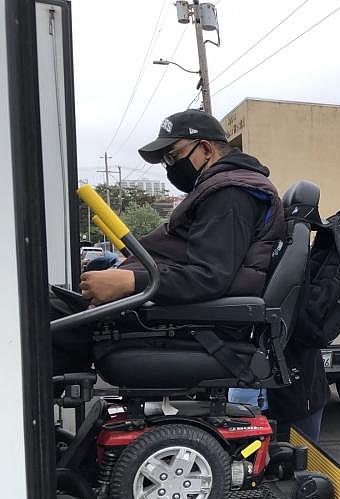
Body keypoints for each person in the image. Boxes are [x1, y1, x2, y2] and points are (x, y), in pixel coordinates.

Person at [50, 109, 285, 375]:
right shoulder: (220, 188)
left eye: (173, 156)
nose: (171, 167)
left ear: (206, 149)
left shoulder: (229, 194)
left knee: (38, 317)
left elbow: (209, 276)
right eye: (165, 161)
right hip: (162, 309)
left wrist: (130, 282)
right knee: (45, 304)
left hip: (181, 322)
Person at [250, 343, 340, 499]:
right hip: (256, 402)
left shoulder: (299, 301)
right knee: (270, 485)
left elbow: (315, 332)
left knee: (307, 489)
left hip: (299, 398)